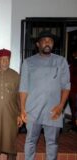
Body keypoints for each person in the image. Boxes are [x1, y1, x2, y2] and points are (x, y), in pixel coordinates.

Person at [20, 30, 70, 160]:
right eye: (44, 40)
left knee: (52, 143)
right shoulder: (28, 62)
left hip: (53, 110)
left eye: (50, 41)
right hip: (33, 110)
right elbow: (23, 88)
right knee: (30, 141)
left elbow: (66, 86)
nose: (48, 43)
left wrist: (61, 106)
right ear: (38, 44)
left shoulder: (61, 61)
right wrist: (22, 109)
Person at [69, 48, 77, 131]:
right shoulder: (72, 64)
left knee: (74, 109)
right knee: (74, 109)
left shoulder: (73, 64)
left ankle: (75, 125)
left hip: (74, 91)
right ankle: (74, 124)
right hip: (72, 91)